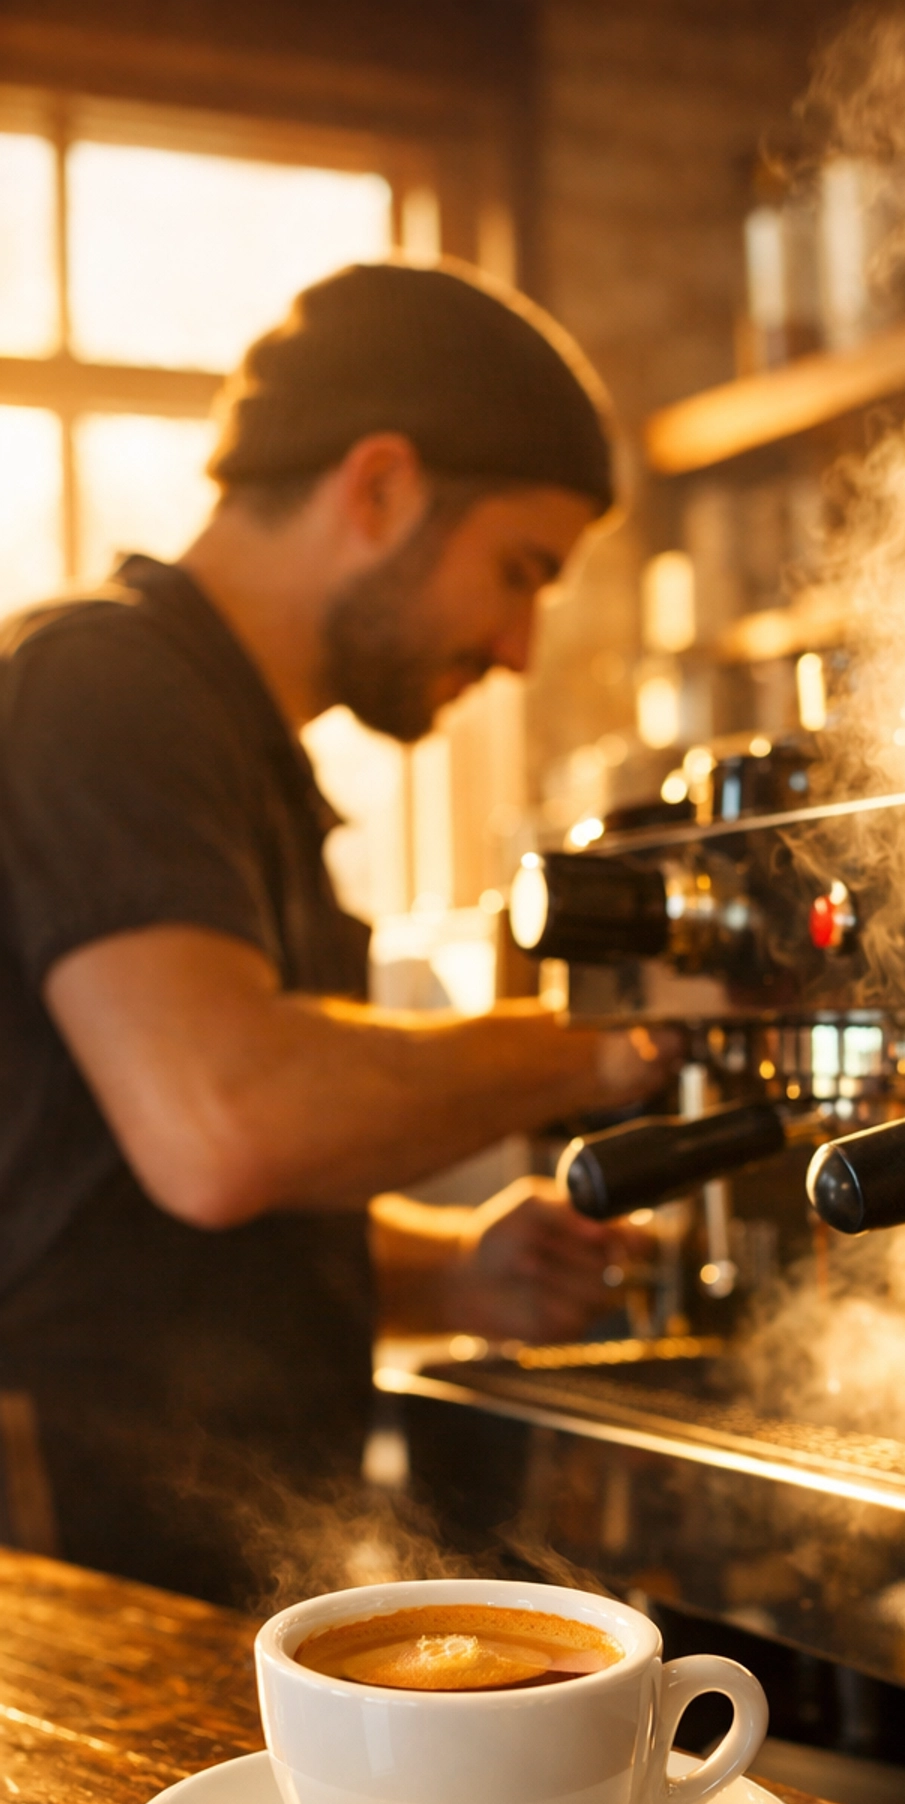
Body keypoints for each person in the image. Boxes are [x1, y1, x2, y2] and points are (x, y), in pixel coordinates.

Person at [0, 260, 670, 1602]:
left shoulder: (237, 754)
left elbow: (128, 1210)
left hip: (178, 1559)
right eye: (518, 571)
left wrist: (456, 1270)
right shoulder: (102, 687)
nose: (523, 647)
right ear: (377, 489)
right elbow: (223, 1127)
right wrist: (616, 1045)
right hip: (62, 1574)